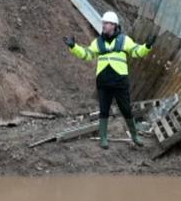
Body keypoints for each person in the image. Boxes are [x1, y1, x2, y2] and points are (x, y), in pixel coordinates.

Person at [64, 11, 156, 149]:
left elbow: (137, 51)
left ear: (114, 25)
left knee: (126, 110)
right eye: (103, 23)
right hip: (103, 82)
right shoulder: (97, 42)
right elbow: (87, 55)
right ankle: (103, 138)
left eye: (106, 23)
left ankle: (135, 136)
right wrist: (74, 47)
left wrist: (147, 46)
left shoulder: (124, 40)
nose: (104, 26)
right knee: (104, 110)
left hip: (120, 81)